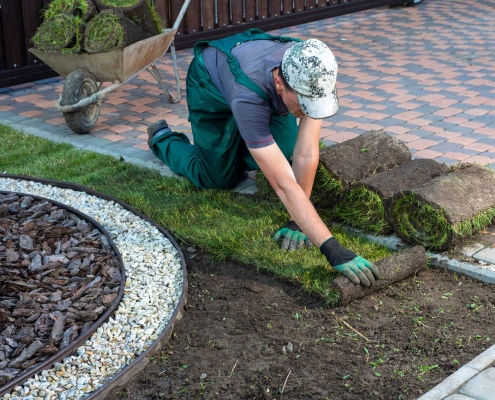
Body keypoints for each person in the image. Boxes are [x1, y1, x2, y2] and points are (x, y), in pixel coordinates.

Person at [147, 28, 380, 287]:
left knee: (286, 150)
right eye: (303, 104)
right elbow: (282, 183)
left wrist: (297, 221)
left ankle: (244, 138)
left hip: (251, 76)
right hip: (211, 80)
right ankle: (163, 139)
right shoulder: (248, 95)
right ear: (280, 83)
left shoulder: (313, 70)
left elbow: (305, 152)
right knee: (216, 177)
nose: (308, 112)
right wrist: (332, 248)